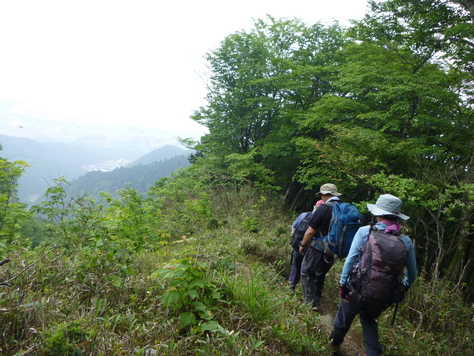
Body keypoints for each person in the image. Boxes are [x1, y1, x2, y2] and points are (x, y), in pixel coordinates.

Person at [329, 194, 418, 356]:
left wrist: (343, 283)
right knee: (368, 319)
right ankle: (373, 352)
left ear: (378, 213)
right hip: (382, 295)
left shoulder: (365, 231)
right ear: (397, 217)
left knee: (344, 317)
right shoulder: (405, 241)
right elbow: (413, 274)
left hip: (356, 288)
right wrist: (403, 287)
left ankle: (335, 345)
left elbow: (351, 260)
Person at [299, 183, 342, 311]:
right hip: (334, 250)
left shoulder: (323, 208)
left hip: (318, 247)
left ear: (324, 195)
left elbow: (311, 231)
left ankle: (310, 302)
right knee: (320, 273)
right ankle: (316, 299)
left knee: (306, 272)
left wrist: (303, 244)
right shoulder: (343, 208)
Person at [288, 200, 324, 290]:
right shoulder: (324, 220)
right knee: (310, 271)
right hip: (312, 250)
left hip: (298, 245)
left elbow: (294, 226)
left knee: (296, 266)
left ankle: (291, 285)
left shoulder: (304, 215)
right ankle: (308, 292)